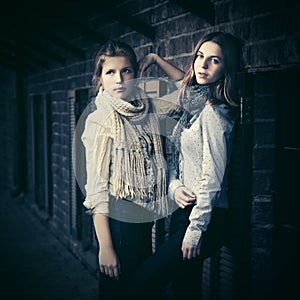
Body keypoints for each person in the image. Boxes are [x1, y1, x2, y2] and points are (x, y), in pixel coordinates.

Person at [129, 31, 242, 299]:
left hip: (207, 218)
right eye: (200, 57)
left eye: (215, 60)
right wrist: (174, 186)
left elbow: (212, 179)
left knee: (141, 283)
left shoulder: (216, 115)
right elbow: (183, 80)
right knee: (185, 289)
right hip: (184, 210)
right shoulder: (197, 102)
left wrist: (194, 231)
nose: (203, 65)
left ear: (227, 67)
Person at [80, 40, 181, 299]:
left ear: (136, 74)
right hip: (118, 223)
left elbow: (191, 94)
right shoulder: (98, 119)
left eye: (126, 71)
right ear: (99, 79)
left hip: (145, 219)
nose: (119, 79)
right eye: (110, 72)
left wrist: (155, 58)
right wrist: (105, 248)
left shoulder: (146, 109)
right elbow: (97, 189)